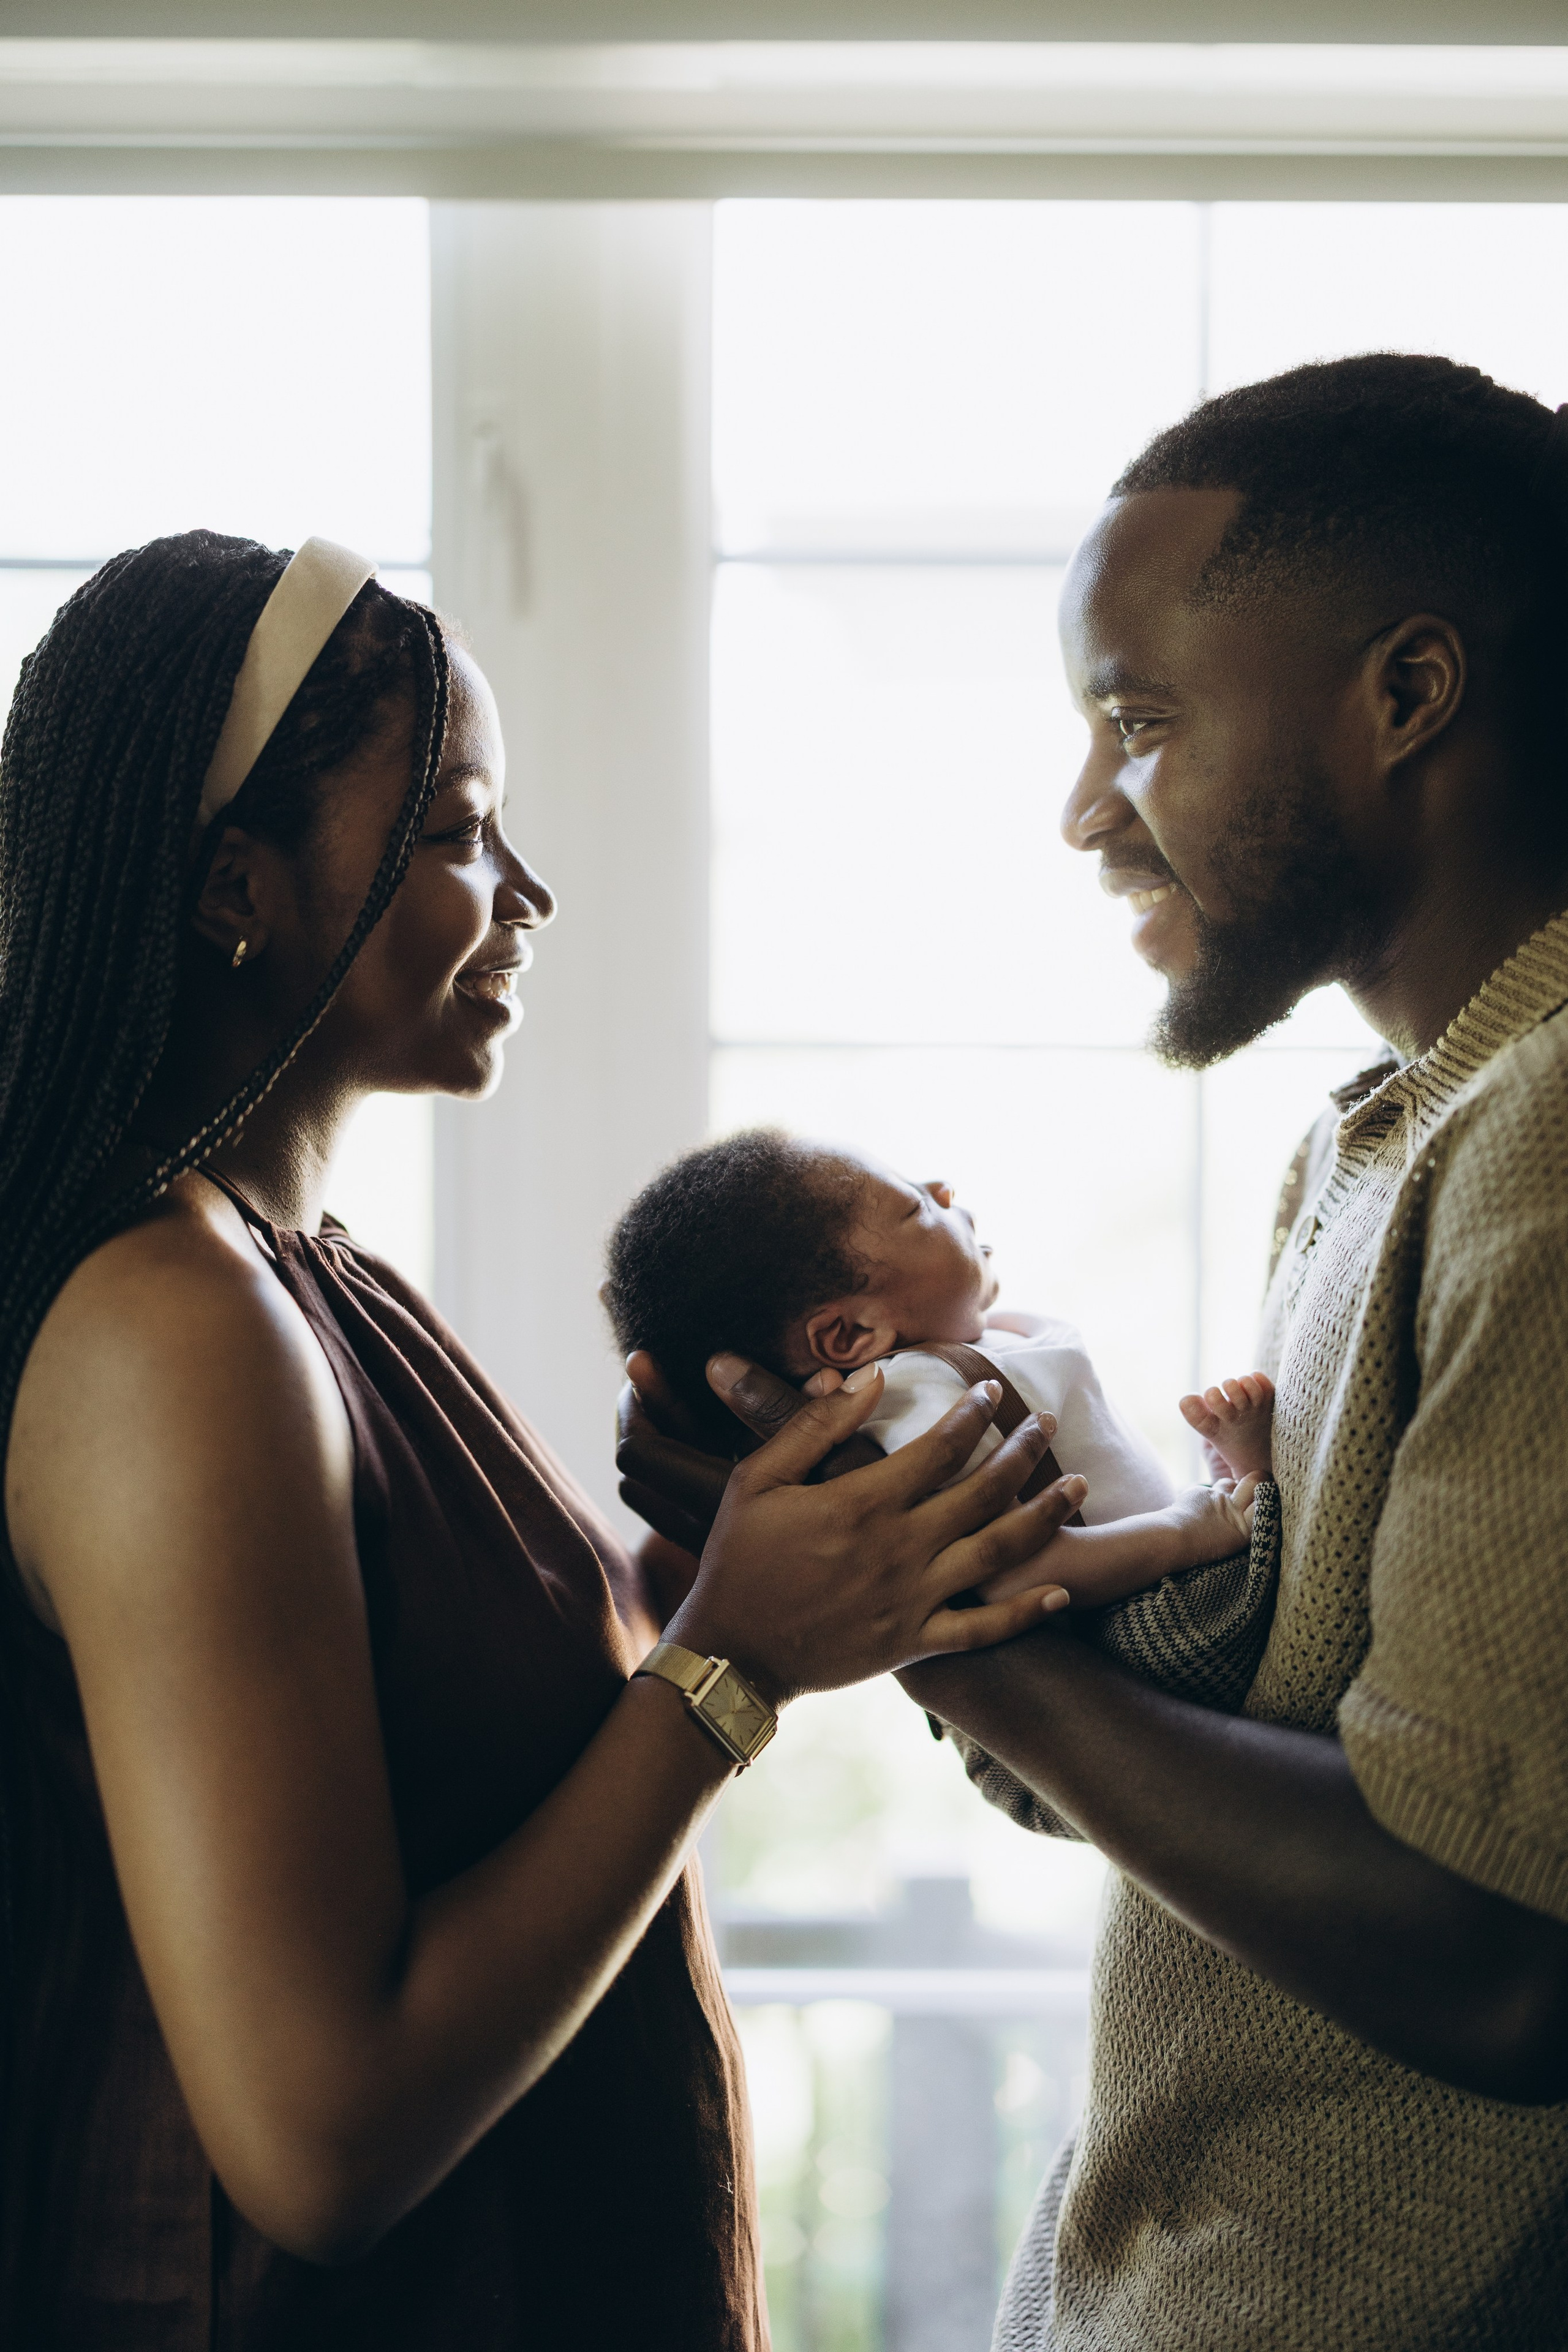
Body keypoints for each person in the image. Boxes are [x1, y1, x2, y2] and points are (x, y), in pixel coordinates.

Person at [0, 530, 1077, 2348]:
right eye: (454, 831)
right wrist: (729, 1664)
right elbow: (317, 2133)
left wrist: (713, 1563)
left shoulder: (312, 1284)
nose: (528, 892)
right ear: (235, 886)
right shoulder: (171, 1325)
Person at [618, 353, 1568, 2348]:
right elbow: (1234, 1766)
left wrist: (952, 1647)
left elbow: (1507, 1965)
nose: (1083, 813)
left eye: (1138, 723)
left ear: (1407, 698)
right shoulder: (1382, 1135)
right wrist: (962, 1578)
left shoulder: (1549, 1134)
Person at [603, 1125, 1273, 1607]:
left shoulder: (966, 1351)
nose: (944, 1189)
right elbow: (1018, 1571)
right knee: (1248, 1537)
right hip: (1163, 1619)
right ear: (853, 1333)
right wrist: (1196, 1528)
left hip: (1164, 1558)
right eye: (915, 1205)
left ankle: (1237, 1482)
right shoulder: (916, 1400)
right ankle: (1240, 1494)